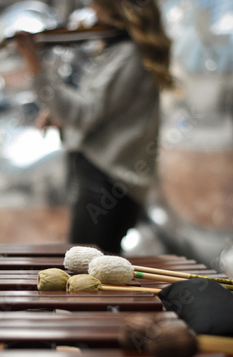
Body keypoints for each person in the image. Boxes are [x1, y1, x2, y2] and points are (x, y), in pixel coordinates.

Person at [15, 0, 174, 254]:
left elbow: (84, 112)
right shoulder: (123, 51)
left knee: (86, 273)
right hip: (107, 182)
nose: (91, 11)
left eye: (97, 6)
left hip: (107, 184)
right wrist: (61, 116)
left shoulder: (128, 54)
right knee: (91, 272)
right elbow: (108, 114)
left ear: (115, 9)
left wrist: (36, 67)